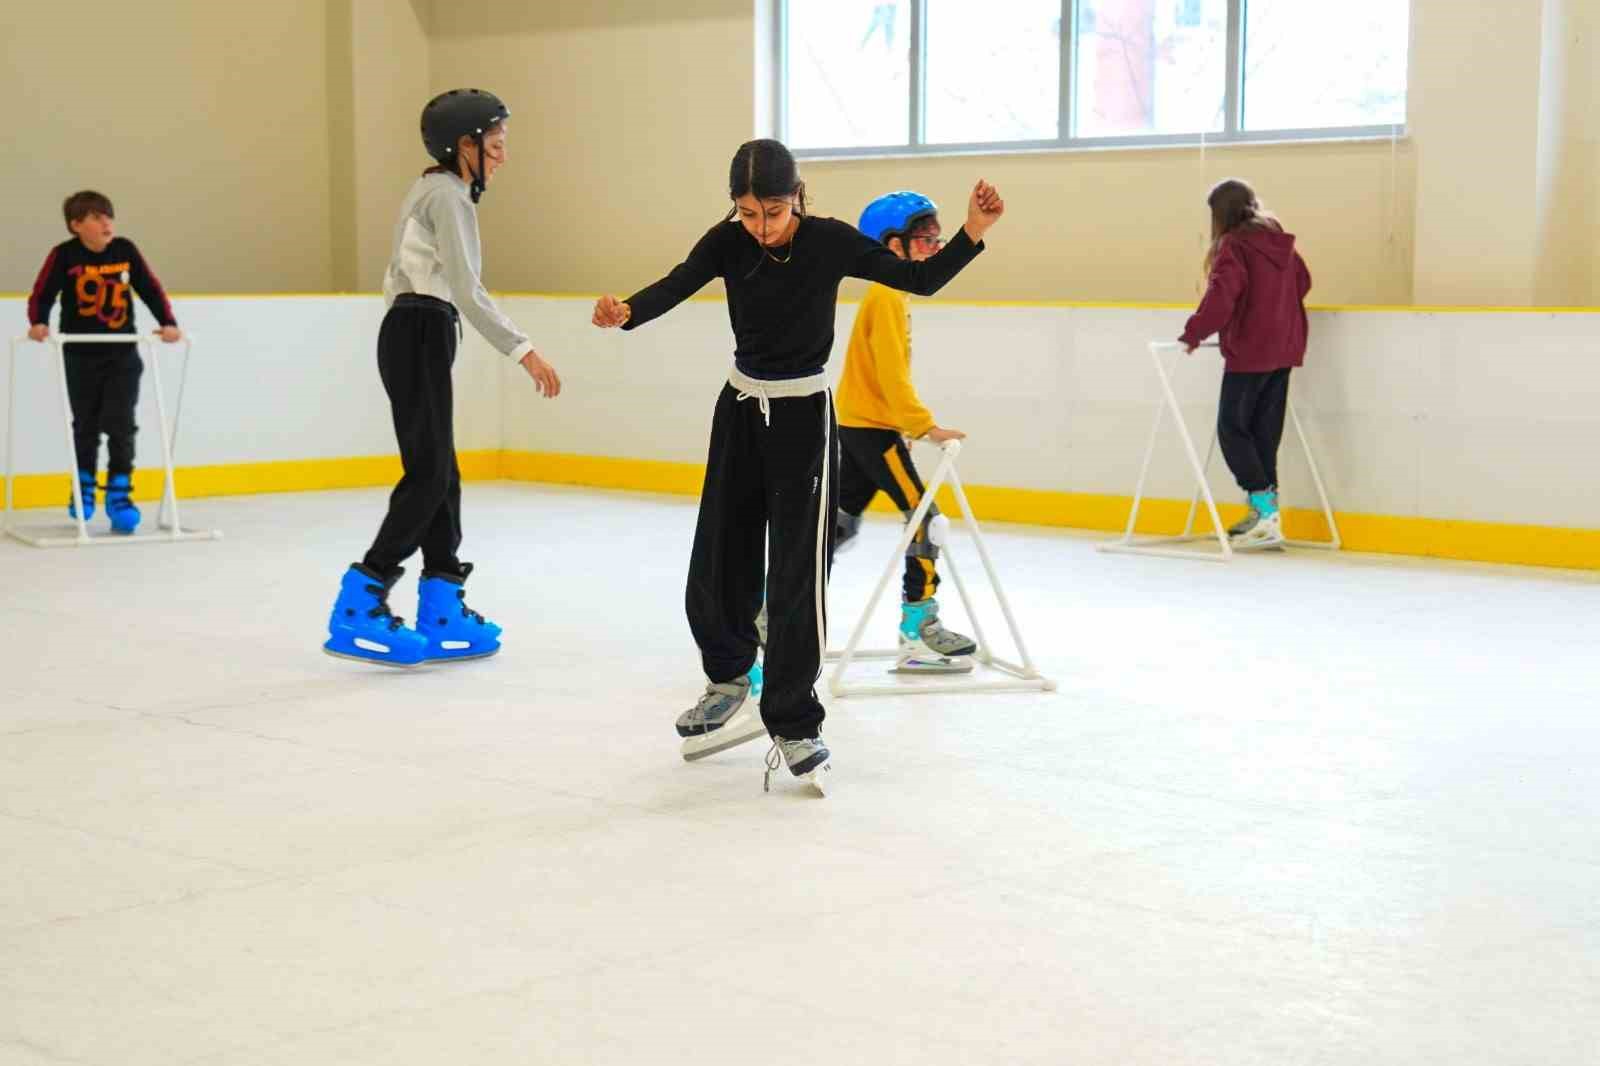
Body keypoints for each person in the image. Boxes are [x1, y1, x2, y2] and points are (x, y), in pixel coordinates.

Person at [592, 139, 1004, 793]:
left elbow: (918, 278)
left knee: (795, 572)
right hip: (739, 411)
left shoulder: (828, 242)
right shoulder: (728, 243)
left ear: (797, 196)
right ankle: (727, 677)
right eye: (749, 213)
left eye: (774, 212)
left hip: (803, 418)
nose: (761, 226)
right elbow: (676, 283)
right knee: (719, 553)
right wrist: (628, 312)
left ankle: (793, 719)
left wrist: (972, 231)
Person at [323, 89, 562, 667]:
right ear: (465, 145)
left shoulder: (437, 189)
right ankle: (362, 598)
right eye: (496, 145)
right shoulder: (448, 197)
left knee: (441, 474)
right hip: (418, 331)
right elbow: (467, 287)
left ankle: (442, 598)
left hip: (421, 332)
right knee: (430, 475)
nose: (503, 157)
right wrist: (524, 350)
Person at [835, 190, 979, 673]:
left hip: (858, 423)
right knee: (927, 520)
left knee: (838, 524)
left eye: (937, 240)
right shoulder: (886, 297)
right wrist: (926, 426)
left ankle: (774, 614)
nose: (934, 250)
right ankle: (918, 628)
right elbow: (893, 377)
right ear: (890, 246)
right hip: (873, 429)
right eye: (924, 240)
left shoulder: (887, 294)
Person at [27, 190, 182, 533]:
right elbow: (43, 292)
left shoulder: (125, 250)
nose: (106, 223)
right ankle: (82, 489)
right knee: (86, 425)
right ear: (76, 225)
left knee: (121, 425)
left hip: (122, 355)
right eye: (96, 217)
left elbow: (149, 288)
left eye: (108, 216)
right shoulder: (64, 256)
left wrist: (167, 322)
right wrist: (38, 321)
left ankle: (119, 493)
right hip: (81, 355)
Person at [1180, 178, 1312, 550]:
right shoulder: (1278, 241)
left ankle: (1264, 506)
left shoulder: (1233, 245)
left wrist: (1194, 333)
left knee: (1233, 429)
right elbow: (1303, 281)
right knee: (1263, 433)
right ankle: (1266, 516)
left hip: (1252, 350)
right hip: (1285, 348)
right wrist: (1275, 308)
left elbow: (1223, 296)